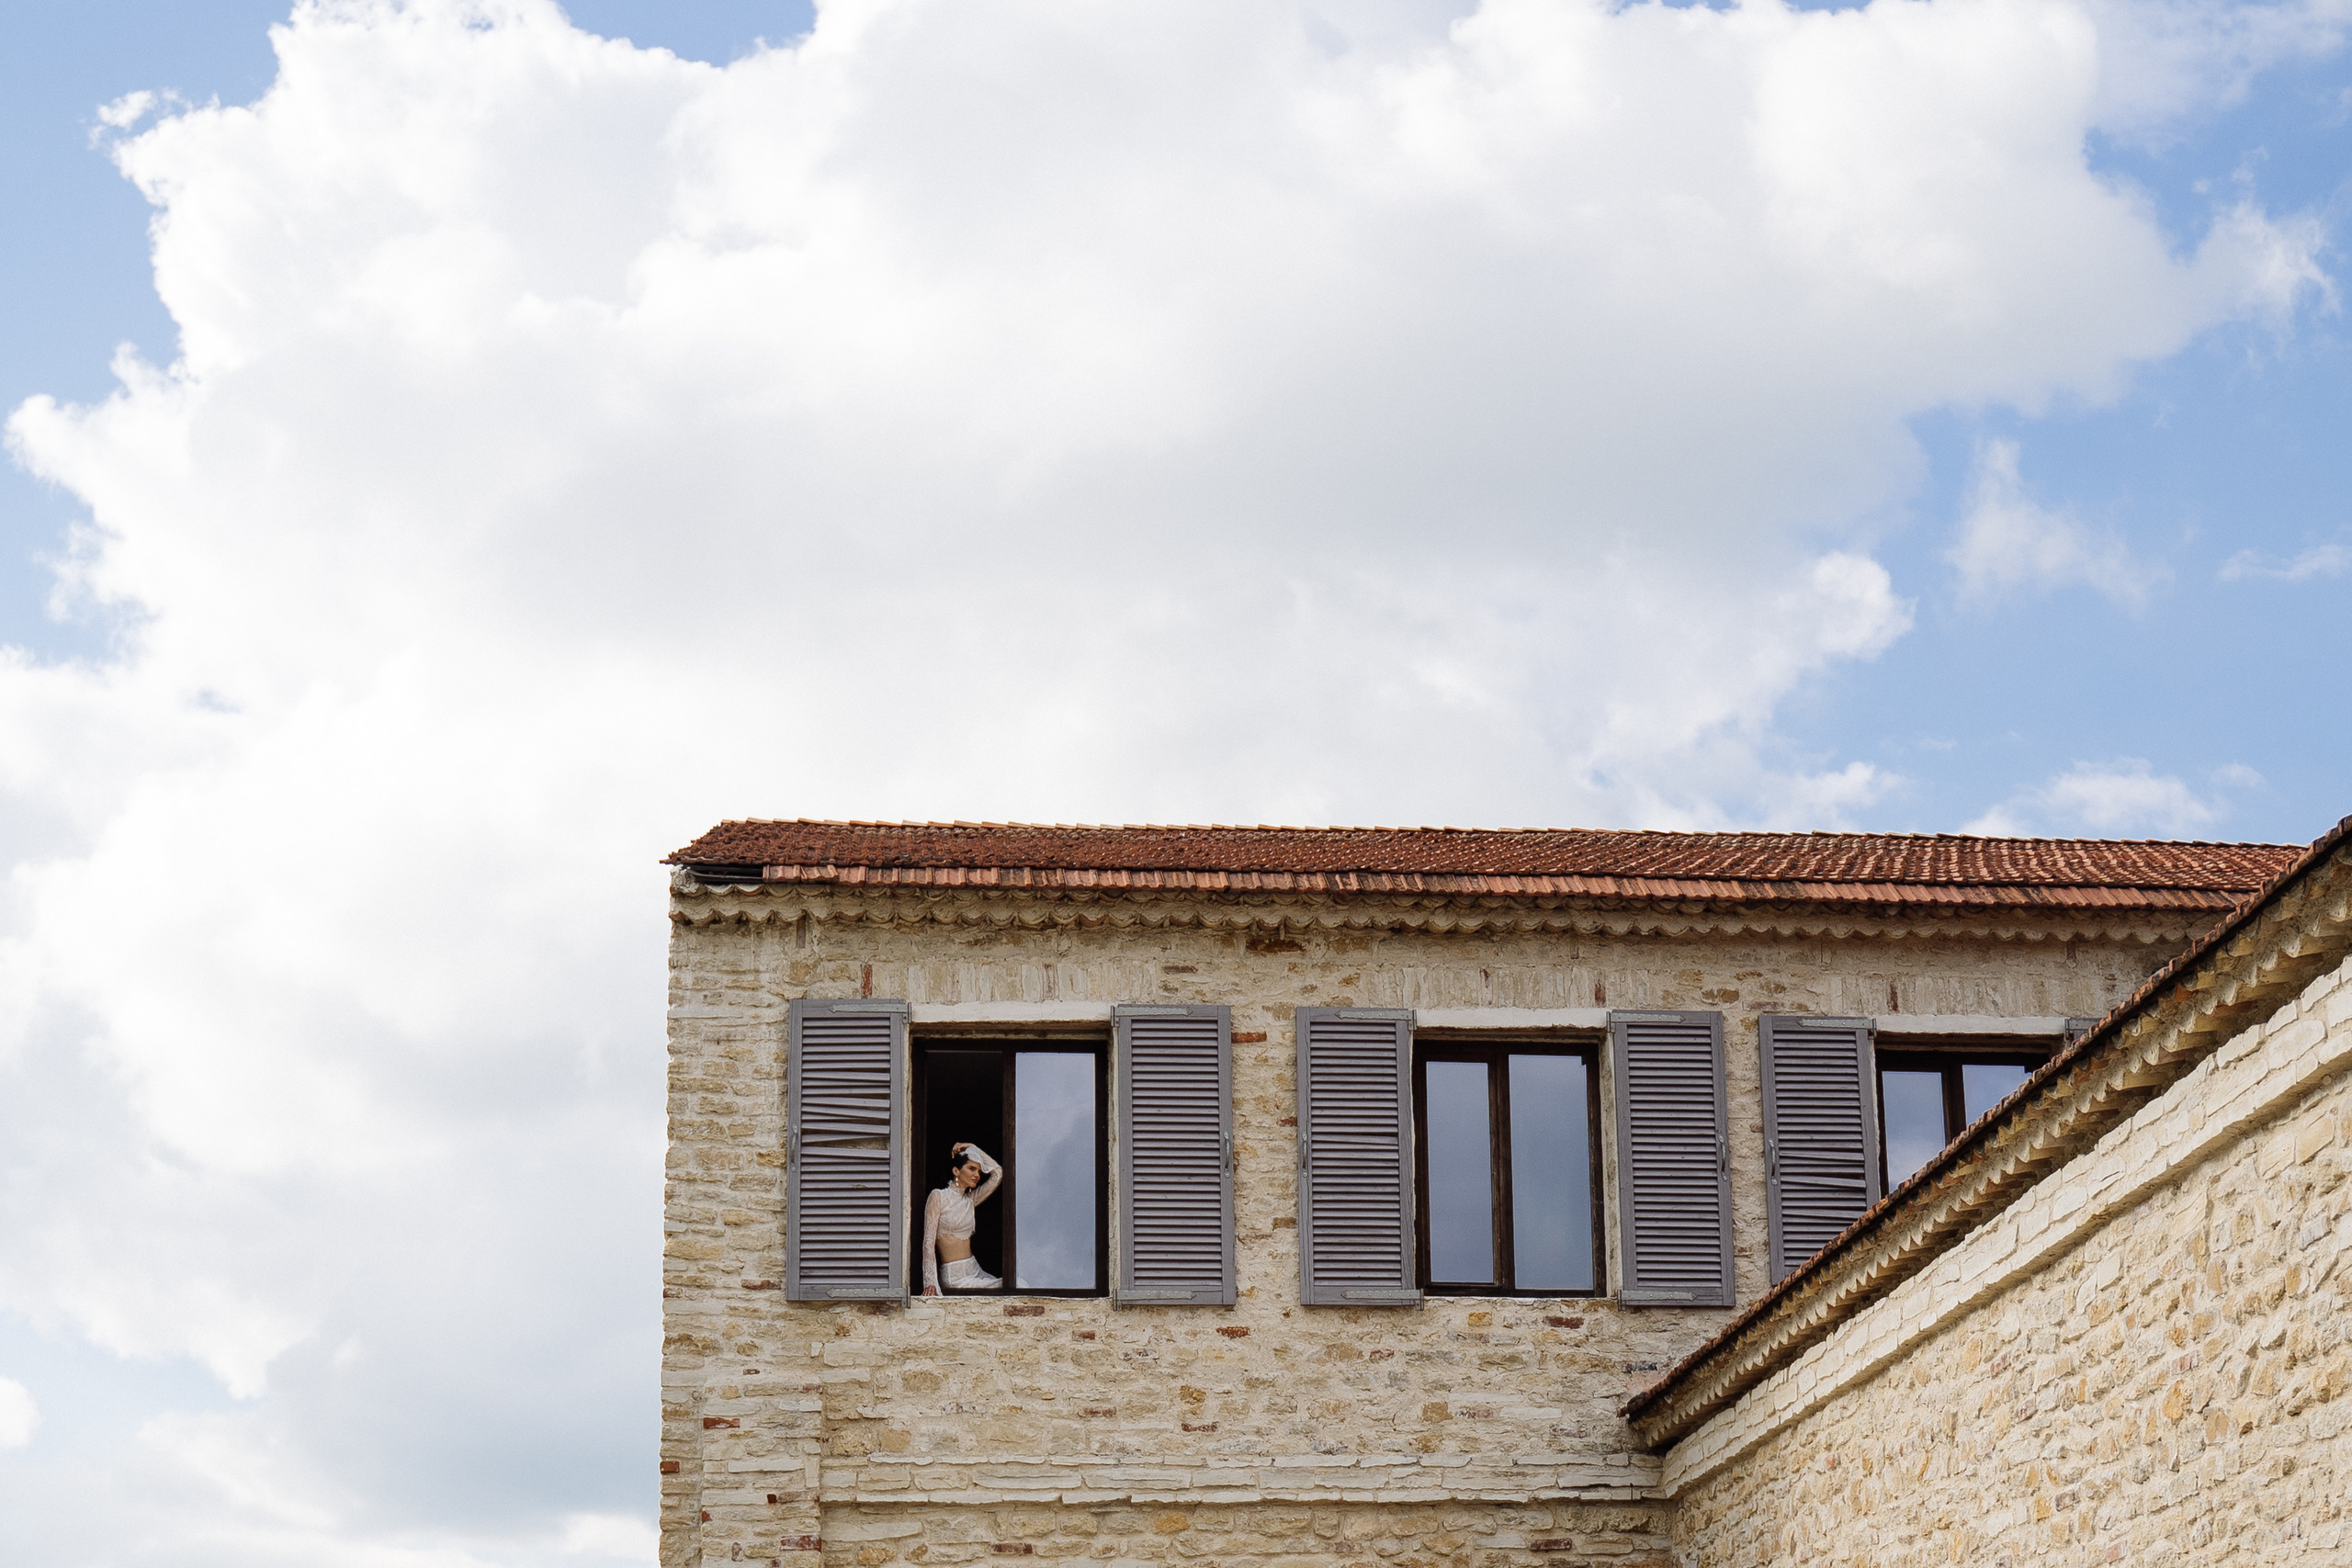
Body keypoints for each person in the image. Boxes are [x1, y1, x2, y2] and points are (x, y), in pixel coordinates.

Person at [922, 1141, 1003, 1294]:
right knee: (1015, 1286)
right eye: (972, 1169)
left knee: (1018, 1284)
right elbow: (928, 1242)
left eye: (979, 1171)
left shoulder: (970, 1200)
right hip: (955, 1276)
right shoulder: (939, 1196)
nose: (977, 1175)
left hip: (975, 1270)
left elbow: (997, 1173)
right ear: (956, 1171)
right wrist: (930, 1281)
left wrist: (973, 1147)